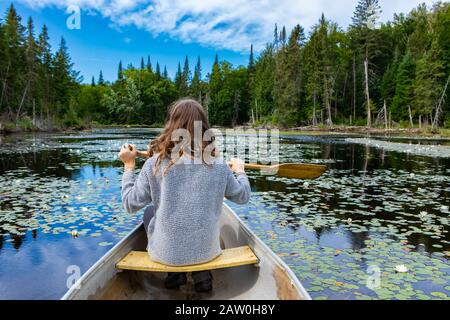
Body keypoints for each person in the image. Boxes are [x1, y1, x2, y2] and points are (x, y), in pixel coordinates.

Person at [118, 98, 251, 293]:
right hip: (208, 253)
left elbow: (130, 204)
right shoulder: (219, 164)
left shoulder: (153, 164)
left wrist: (129, 166)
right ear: (204, 128)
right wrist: (240, 171)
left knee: (149, 213)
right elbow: (242, 196)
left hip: (165, 255)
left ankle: (175, 274)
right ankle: (201, 274)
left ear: (171, 126)